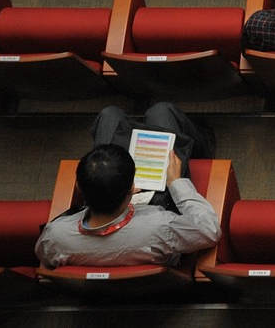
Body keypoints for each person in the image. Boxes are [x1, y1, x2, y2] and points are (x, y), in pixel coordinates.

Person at [35, 103, 219, 269]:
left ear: (80, 188)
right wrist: (175, 182)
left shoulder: (55, 236)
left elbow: (47, 259)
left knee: (110, 114)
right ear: (133, 188)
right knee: (161, 111)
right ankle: (205, 144)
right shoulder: (160, 227)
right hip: (157, 206)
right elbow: (209, 230)